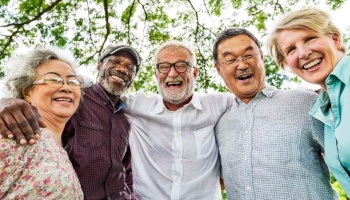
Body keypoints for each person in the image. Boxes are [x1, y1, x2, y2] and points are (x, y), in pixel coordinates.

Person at [0, 44, 141, 199]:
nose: (122, 69)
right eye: (115, 62)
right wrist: (6, 102)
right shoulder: (75, 101)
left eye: (130, 67)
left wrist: (130, 194)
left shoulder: (126, 120)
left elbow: (126, 169)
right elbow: (38, 106)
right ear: (99, 65)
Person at [213, 28, 338, 199]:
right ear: (219, 69)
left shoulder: (304, 102)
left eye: (249, 55)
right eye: (230, 60)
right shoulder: (218, 125)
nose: (241, 65)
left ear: (261, 58)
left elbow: (345, 158)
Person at [121, 41, 233, 199]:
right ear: (156, 74)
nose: (172, 74)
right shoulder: (136, 106)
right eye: (164, 67)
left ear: (194, 73)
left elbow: (252, 99)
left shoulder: (219, 105)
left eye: (181, 65)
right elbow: (96, 94)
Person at [267, 7, 350, 195]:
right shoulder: (323, 109)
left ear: (335, 39)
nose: (303, 53)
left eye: (310, 38)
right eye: (291, 50)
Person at [0, 46, 83, 199]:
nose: (66, 87)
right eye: (53, 79)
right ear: (27, 92)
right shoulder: (14, 135)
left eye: (72, 81)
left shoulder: (62, 150)